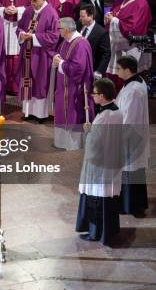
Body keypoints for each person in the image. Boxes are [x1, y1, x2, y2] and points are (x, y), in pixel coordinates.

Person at [75, 78, 123, 244]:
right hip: (112, 161)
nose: (93, 97)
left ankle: (96, 233)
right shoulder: (117, 111)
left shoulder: (103, 117)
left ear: (102, 96)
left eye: (94, 94)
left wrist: (88, 132)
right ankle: (109, 230)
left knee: (97, 199)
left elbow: (94, 145)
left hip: (100, 166)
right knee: (108, 200)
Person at [16, 0, 60, 122]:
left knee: (40, 84)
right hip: (28, 54)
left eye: (35, 1)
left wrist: (34, 37)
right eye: (31, 0)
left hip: (42, 56)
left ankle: (41, 115)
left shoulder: (51, 13)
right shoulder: (28, 11)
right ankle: (28, 112)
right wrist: (22, 34)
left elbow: (54, 36)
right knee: (28, 82)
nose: (32, 3)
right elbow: (19, 27)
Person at [52, 17, 94, 150]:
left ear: (66, 29)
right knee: (61, 113)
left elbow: (79, 68)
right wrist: (57, 58)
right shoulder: (66, 41)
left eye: (59, 29)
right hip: (63, 87)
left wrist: (62, 63)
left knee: (73, 115)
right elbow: (60, 54)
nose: (58, 31)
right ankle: (61, 142)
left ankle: (72, 145)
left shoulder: (81, 44)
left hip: (75, 88)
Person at [115, 56, 149, 217]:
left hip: (130, 137)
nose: (117, 71)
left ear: (128, 70)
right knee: (133, 171)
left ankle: (130, 205)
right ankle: (134, 203)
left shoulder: (134, 89)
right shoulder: (136, 82)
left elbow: (130, 117)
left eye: (119, 68)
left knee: (129, 170)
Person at [105, 0, 152, 87]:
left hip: (131, 47)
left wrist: (114, 20)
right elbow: (116, 11)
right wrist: (109, 15)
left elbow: (133, 28)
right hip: (117, 46)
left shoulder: (141, 4)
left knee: (125, 77)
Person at [78, 4, 110, 79]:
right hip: (76, 68)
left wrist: (99, 71)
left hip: (90, 69)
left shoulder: (101, 32)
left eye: (82, 16)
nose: (80, 18)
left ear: (91, 16)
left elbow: (106, 53)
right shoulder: (77, 25)